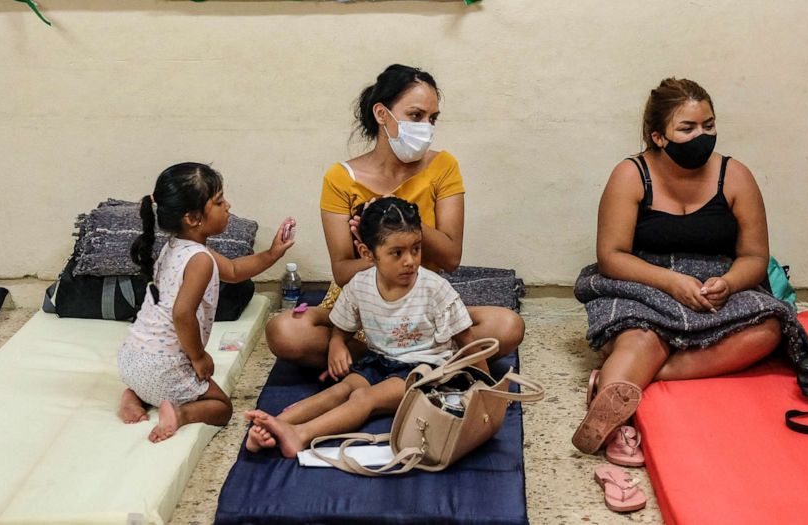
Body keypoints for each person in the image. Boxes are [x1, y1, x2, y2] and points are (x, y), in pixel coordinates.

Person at [573, 78, 808, 466]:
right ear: (659, 136)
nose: (702, 135)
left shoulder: (735, 176)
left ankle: (624, 383)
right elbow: (612, 256)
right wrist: (671, 282)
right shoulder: (631, 174)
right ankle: (615, 426)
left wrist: (729, 282)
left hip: (715, 282)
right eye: (687, 128)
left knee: (769, 328)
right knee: (640, 336)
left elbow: (754, 255)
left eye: (708, 125)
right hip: (643, 280)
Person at [265, 64, 524, 369]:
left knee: (508, 326)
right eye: (416, 116)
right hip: (361, 308)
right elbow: (342, 272)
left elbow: (452, 258)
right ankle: (408, 360)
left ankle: (386, 362)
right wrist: (379, 254)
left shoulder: (444, 166)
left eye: (433, 119)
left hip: (420, 303)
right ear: (381, 114)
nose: (426, 127)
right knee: (283, 331)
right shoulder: (340, 178)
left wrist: (401, 214)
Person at [245, 197, 482, 456]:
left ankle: (301, 435)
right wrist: (336, 345)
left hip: (425, 372)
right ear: (368, 254)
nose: (410, 261)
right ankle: (277, 423)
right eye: (397, 252)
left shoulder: (435, 288)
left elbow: (469, 341)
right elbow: (341, 327)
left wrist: (487, 392)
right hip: (379, 361)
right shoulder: (360, 285)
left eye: (416, 249)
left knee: (363, 398)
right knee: (342, 389)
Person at [117, 162, 296, 443]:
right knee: (222, 408)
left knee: (155, 382)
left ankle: (134, 394)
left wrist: (273, 253)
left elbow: (235, 272)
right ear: (193, 218)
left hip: (131, 360)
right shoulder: (199, 260)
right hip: (162, 367)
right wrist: (199, 357)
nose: (228, 206)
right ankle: (180, 414)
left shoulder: (177, 246)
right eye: (219, 201)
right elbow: (182, 314)